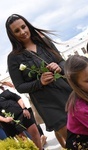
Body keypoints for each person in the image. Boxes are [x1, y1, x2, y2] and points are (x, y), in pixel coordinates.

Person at [5, 14, 72, 148]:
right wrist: (40, 82)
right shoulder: (13, 58)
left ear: (28, 25)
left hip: (68, 94)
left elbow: (63, 62)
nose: (22, 32)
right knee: (74, 141)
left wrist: (59, 67)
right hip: (48, 104)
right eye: (17, 31)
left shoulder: (45, 42)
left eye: (23, 27)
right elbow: (20, 87)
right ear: (12, 35)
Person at [1, 81, 47, 147]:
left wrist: (24, 109)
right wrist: (5, 119)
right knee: (23, 140)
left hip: (22, 114)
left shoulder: (4, 89)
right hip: (10, 122)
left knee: (35, 132)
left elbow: (17, 98)